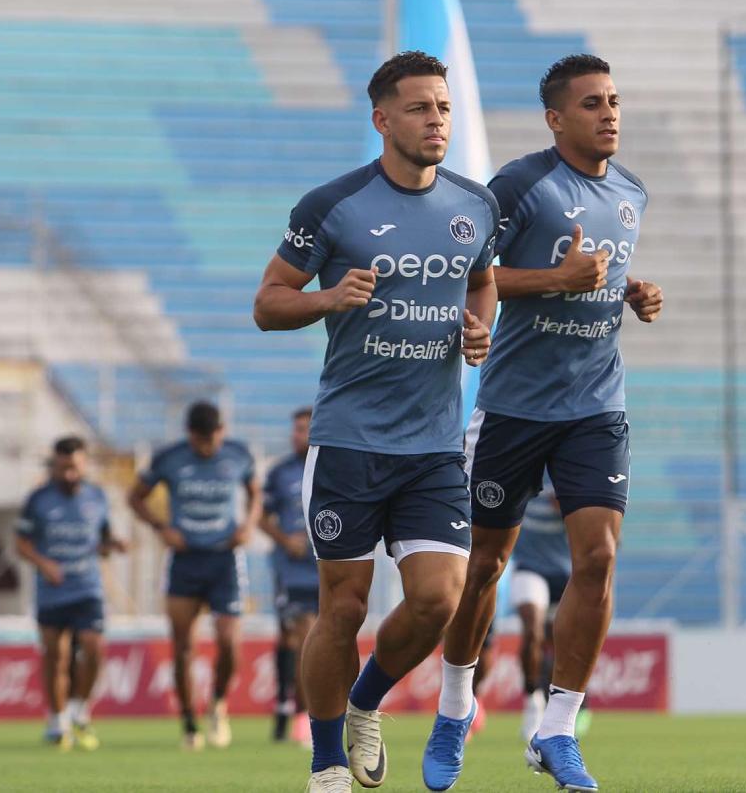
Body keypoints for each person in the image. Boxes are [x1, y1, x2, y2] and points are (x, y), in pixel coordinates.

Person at [253, 50, 499, 793]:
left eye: (444, 108)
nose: (437, 121)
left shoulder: (474, 206)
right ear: (382, 118)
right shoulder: (333, 207)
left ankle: (366, 703)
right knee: (343, 609)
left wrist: (477, 328)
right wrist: (328, 299)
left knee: (437, 600)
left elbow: (483, 281)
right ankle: (326, 762)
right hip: (349, 442)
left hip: (430, 447)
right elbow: (268, 302)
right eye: (421, 108)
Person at [422, 54, 663, 793]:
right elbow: (469, 269)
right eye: (593, 103)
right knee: (487, 565)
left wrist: (633, 293)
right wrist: (556, 279)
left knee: (598, 558)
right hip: (516, 407)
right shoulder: (521, 186)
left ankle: (556, 731)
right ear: (557, 119)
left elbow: (604, 274)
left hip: (596, 405)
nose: (610, 113)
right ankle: (456, 707)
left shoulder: (631, 191)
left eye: (615, 100)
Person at [128, 401, 261, 751]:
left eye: (215, 437)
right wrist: (161, 528)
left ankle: (217, 703)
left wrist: (248, 524)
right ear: (191, 435)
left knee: (230, 641)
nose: (210, 446)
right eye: (203, 440)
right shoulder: (168, 458)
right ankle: (189, 721)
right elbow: (135, 497)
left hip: (225, 559)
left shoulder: (239, 455)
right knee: (183, 646)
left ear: (223, 430)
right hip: (185, 560)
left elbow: (255, 492)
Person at [15, 436, 126, 750]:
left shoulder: (97, 497)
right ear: (54, 465)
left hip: (87, 587)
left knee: (94, 647)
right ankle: (56, 718)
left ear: (84, 464)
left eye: (74, 467)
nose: (69, 475)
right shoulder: (38, 499)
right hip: (52, 591)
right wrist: (43, 563)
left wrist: (114, 545)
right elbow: (21, 543)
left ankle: (80, 709)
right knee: (56, 655)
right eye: (63, 468)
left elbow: (102, 541)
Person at [260, 407, 318, 746]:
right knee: (300, 640)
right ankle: (303, 715)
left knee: (319, 642)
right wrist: (285, 540)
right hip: (291, 572)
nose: (299, 435)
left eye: (305, 429)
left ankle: (291, 707)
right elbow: (260, 517)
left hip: (328, 569)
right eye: (296, 429)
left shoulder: (333, 467)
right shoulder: (280, 473)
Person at [508, 483, 581, 744]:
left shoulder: (567, 467)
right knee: (532, 629)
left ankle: (559, 709)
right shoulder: (524, 465)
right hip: (529, 567)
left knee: (561, 642)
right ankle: (532, 702)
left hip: (565, 571)